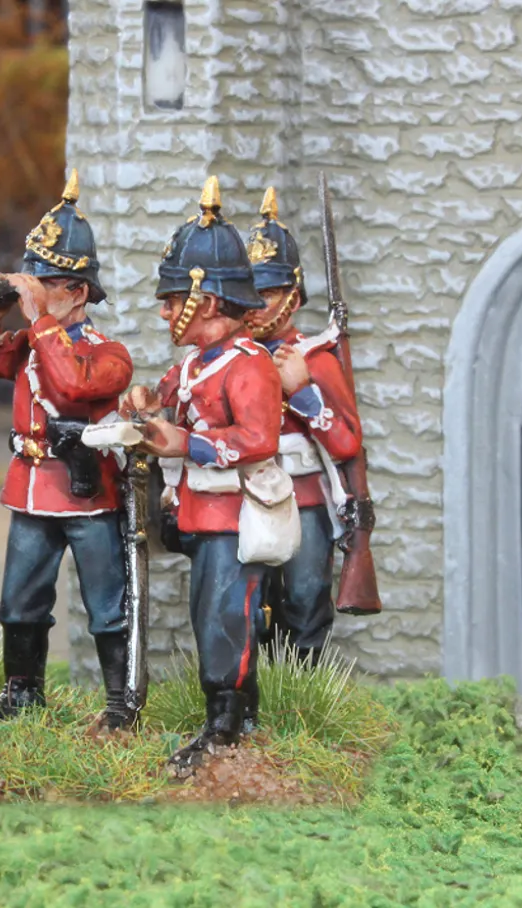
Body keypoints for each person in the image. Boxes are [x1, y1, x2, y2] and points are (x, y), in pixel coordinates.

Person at [0, 169, 137, 732]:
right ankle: (21, 693)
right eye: (32, 279)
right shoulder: (33, 345)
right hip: (31, 491)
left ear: (77, 292)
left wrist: (40, 324)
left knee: (106, 606)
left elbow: (74, 386)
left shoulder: (108, 353)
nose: (34, 290)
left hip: (86, 494)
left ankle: (120, 705)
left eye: (46, 282)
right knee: (19, 603)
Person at [121, 177, 284, 770]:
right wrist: (145, 402)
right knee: (210, 614)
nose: (166, 311)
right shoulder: (194, 363)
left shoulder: (250, 364)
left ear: (206, 302)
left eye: (173, 300)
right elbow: (166, 395)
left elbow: (258, 439)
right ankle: (234, 717)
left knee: (224, 618)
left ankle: (227, 723)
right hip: (198, 510)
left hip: (233, 513)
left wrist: (186, 442)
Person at [244, 186, 362, 679]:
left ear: (291, 299)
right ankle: (248, 696)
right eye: (247, 293)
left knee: (306, 598)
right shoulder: (235, 359)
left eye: (266, 294)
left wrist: (304, 391)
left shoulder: (314, 359)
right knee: (248, 601)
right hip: (247, 492)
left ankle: (301, 695)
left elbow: (346, 441)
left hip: (305, 494)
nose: (253, 306)